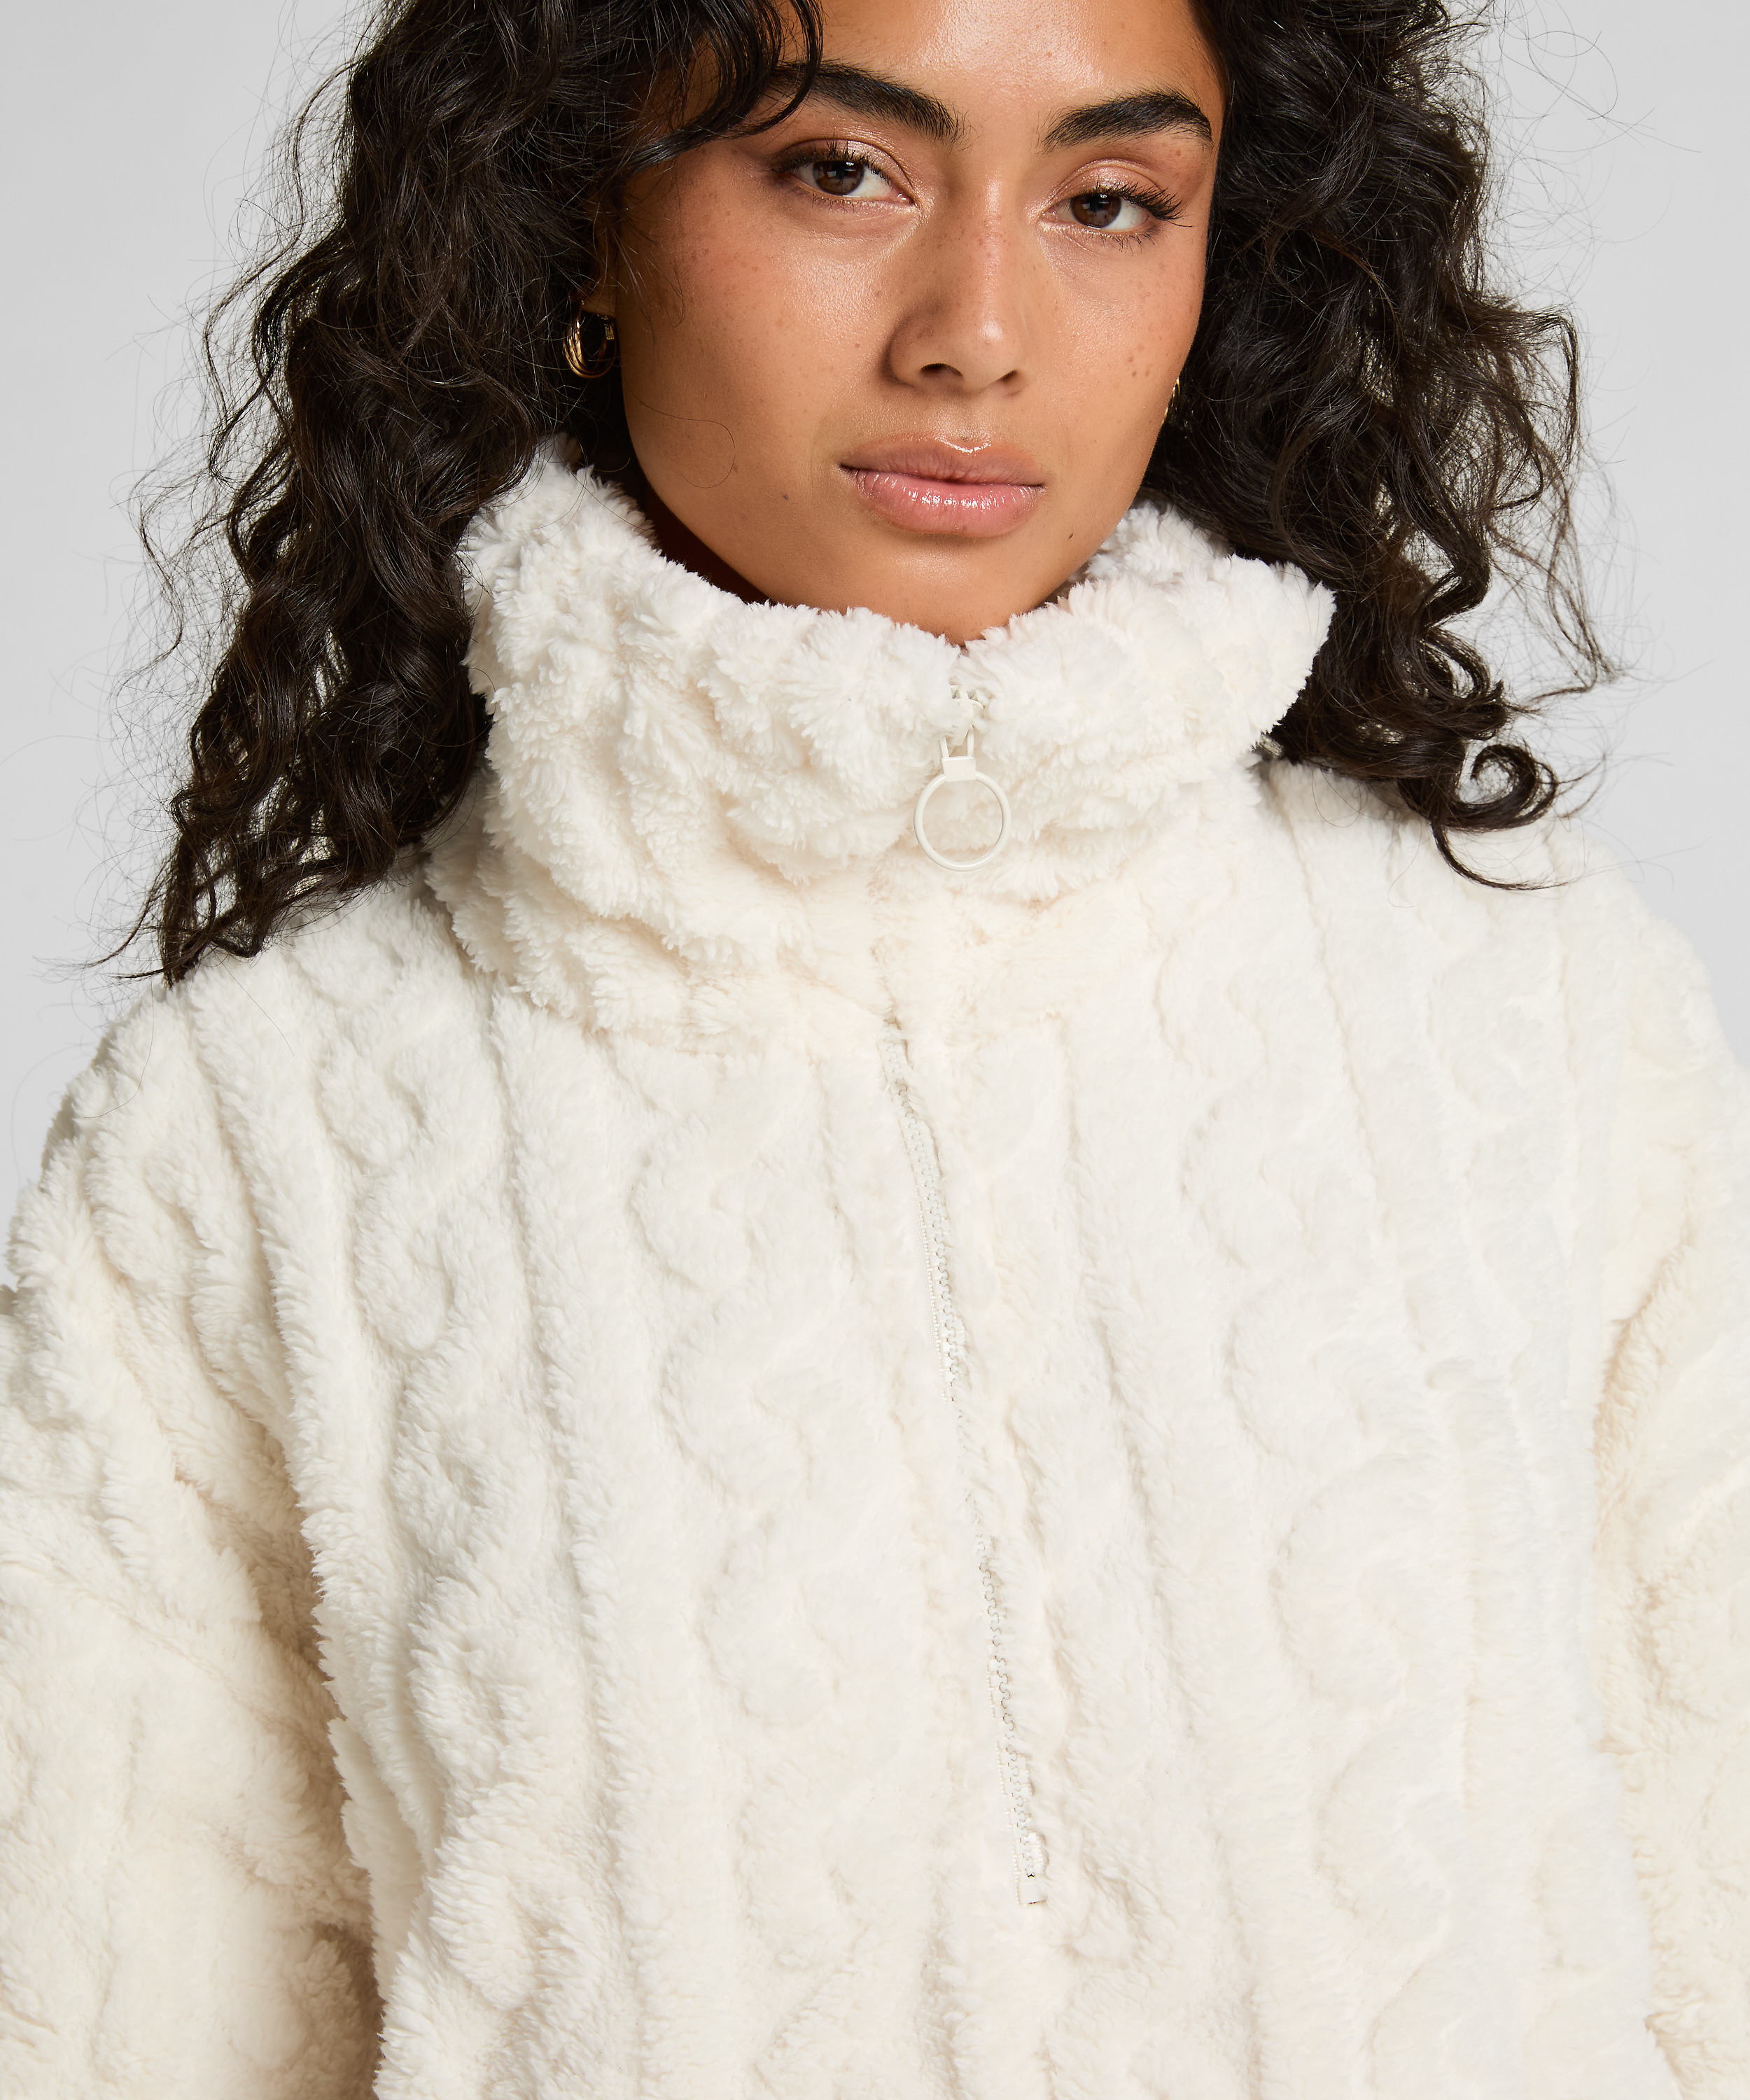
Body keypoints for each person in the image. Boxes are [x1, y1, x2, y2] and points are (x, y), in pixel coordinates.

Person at [2, 0, 1745, 2092]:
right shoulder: (249, 1136)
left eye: (1111, 200)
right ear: (586, 214)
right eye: (841, 170)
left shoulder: (1532, 1011)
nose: (975, 334)